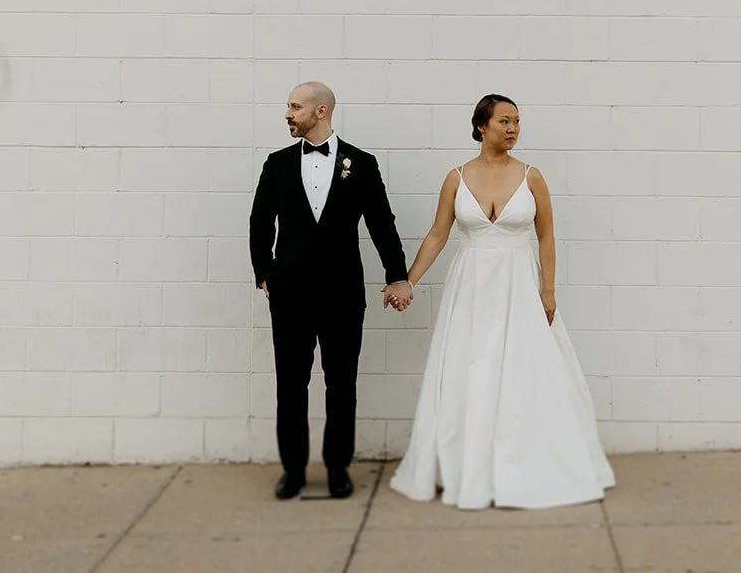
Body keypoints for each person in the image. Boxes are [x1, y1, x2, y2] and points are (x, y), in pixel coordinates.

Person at [387, 94, 616, 509]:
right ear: (481, 127)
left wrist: (548, 290)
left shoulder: (532, 176)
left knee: (523, 370)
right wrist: (408, 281)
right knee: (471, 369)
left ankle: (528, 464)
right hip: (471, 287)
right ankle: (469, 468)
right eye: (504, 121)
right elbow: (438, 233)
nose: (513, 129)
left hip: (519, 285)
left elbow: (546, 236)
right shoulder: (457, 177)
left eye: (516, 121)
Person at [249, 81, 414, 500]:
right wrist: (265, 273)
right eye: (288, 106)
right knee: (291, 386)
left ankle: (338, 468)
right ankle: (293, 471)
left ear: (320, 111)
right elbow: (260, 221)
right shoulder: (277, 163)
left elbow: (381, 223)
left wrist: (397, 275)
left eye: (295, 106)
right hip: (289, 294)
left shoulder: (362, 164)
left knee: (342, 385)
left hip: (343, 294)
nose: (287, 114)